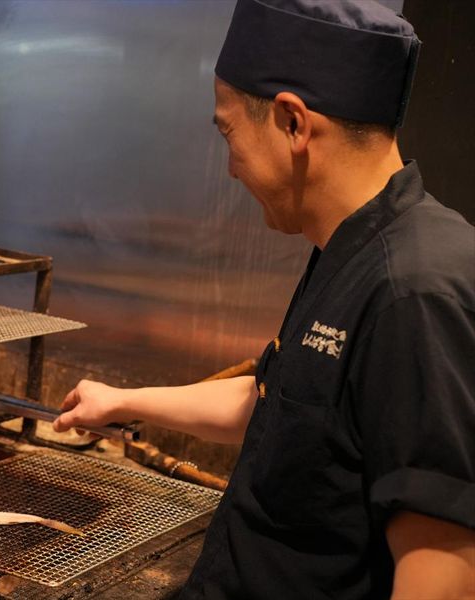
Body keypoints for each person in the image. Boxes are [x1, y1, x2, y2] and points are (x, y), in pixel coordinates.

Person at [52, 1, 475, 598]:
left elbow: (445, 575)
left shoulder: (416, 292)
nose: (230, 168)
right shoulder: (350, 246)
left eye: (229, 133)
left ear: (293, 124)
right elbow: (281, 401)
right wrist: (120, 400)